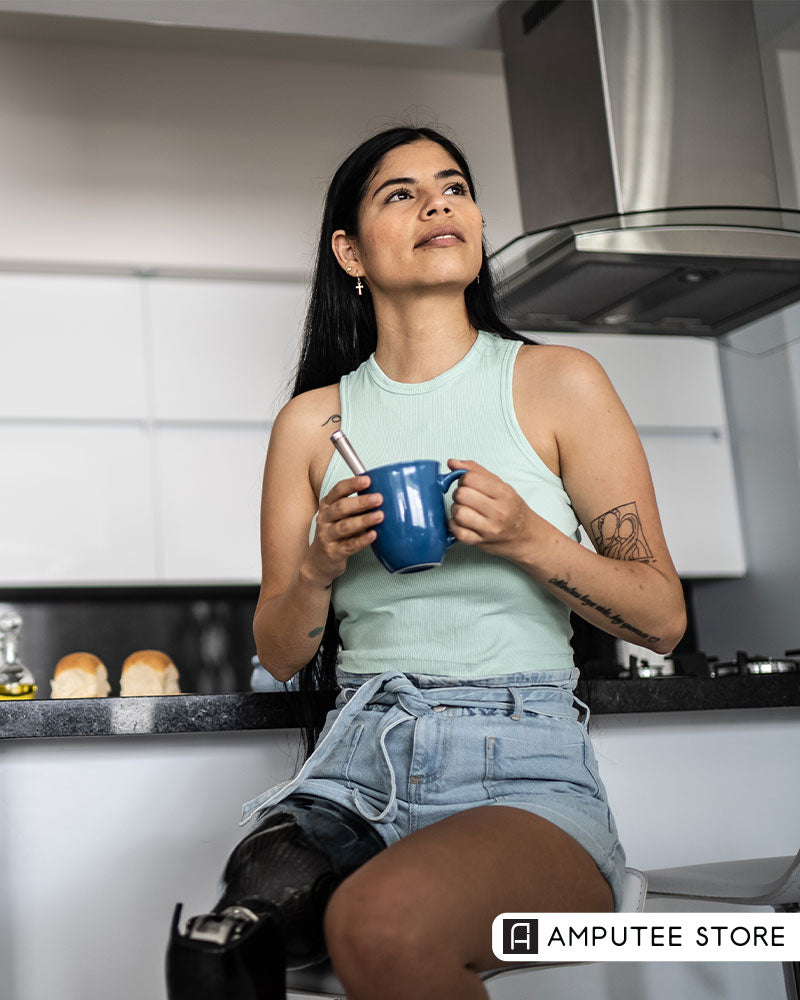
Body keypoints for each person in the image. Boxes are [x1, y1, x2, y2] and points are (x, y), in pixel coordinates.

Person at [166, 125, 687, 1000]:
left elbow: (663, 619)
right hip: (352, 763)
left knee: (381, 926)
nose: (438, 202)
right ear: (349, 250)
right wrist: (322, 566)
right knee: (224, 947)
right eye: (400, 193)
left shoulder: (560, 382)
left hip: (523, 769)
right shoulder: (312, 424)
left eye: (453, 186)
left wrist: (529, 538)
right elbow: (284, 649)